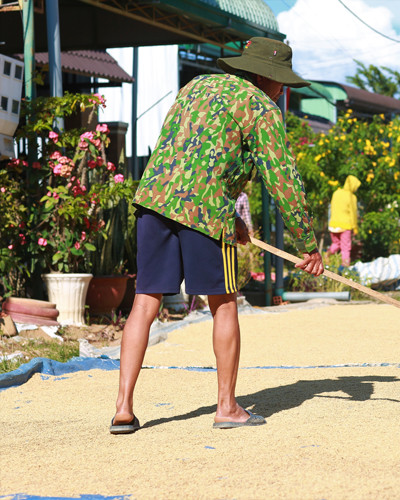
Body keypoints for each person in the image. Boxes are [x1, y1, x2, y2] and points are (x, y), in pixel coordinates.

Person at [110, 37, 324, 434]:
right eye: (281, 81)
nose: (283, 89)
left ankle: (123, 407)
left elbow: (193, 154)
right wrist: (307, 245)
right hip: (206, 213)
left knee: (144, 302)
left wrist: (234, 218)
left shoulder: (196, 87)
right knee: (223, 303)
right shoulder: (262, 108)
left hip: (155, 200)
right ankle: (227, 407)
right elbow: (283, 180)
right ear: (265, 75)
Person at [327, 174, 360, 266]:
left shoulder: (336, 193)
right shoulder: (352, 197)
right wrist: (355, 228)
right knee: (346, 248)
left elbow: (332, 208)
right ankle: (345, 268)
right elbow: (353, 213)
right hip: (345, 225)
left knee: (336, 243)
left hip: (333, 224)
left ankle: (327, 255)